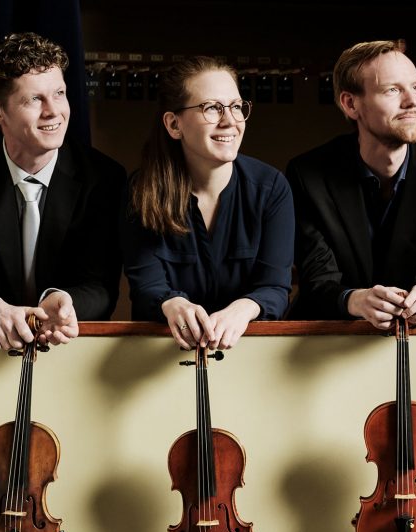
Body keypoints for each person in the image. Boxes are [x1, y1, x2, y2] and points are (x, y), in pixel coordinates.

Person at [0, 32, 126, 350]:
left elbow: (100, 286)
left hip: (68, 346)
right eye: (35, 99)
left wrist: (62, 302)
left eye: (59, 94)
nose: (53, 111)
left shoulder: (104, 177)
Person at [286, 40, 416, 329]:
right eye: (392, 90)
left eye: (415, 87)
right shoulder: (307, 175)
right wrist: (355, 300)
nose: (412, 101)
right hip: (327, 336)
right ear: (350, 104)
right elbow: (317, 283)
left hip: (414, 337)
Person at [120, 56, 294, 350]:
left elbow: (275, 287)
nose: (230, 121)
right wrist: (172, 304)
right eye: (212, 108)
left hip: (249, 352)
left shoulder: (272, 188)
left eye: (236, 106)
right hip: (160, 352)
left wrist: (243, 309)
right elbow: (147, 285)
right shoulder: (141, 191)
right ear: (174, 124)